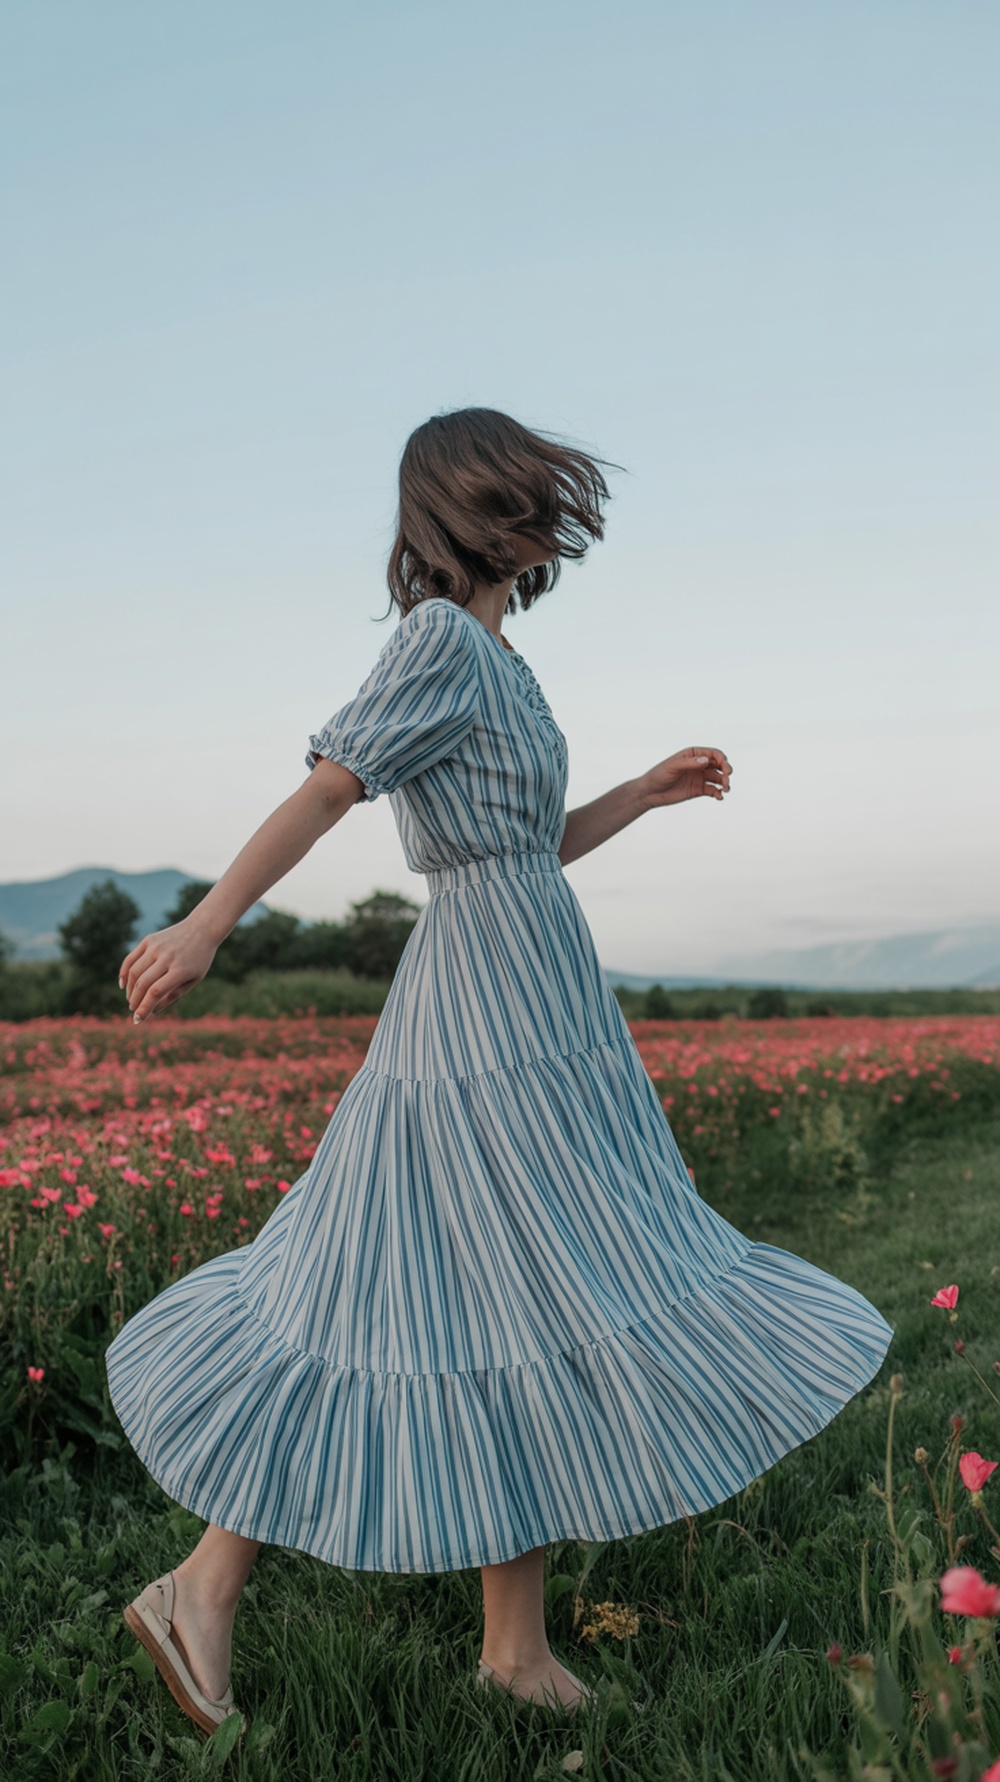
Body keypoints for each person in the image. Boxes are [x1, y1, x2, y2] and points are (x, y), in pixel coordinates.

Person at [108, 406, 894, 1736]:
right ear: (474, 511)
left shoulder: (501, 656)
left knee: (498, 1285)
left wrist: (639, 791)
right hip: (479, 1022)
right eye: (528, 500)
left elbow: (522, 846)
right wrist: (206, 921)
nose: (547, 525)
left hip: (538, 996)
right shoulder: (432, 642)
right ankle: (214, 1587)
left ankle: (505, 1646)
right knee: (432, 1281)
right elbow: (327, 788)